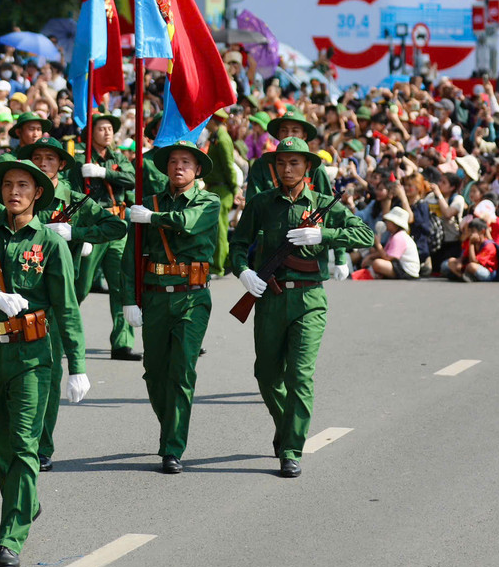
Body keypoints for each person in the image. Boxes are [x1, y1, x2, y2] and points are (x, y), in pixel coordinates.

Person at [0, 159, 87, 567]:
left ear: (37, 193)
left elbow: (67, 307)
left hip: (32, 355)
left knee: (25, 443)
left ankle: (10, 537)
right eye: (8, 184)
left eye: (24, 185)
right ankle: (26, 499)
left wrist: (77, 365)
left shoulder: (50, 243)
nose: (14, 191)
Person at [230, 137, 374, 478]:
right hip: (270, 297)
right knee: (267, 375)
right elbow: (238, 243)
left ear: (307, 166)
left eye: (294, 162)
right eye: (281, 163)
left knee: (299, 375)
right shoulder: (262, 203)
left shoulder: (323, 203)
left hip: (309, 300)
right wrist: (243, 271)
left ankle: (292, 449)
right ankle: (287, 425)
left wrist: (324, 235)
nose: (287, 169)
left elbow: (365, 235)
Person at [17, 137, 127, 470]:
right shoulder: (21, 195)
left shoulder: (76, 201)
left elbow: (116, 225)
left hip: (54, 300)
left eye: (50, 158)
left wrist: (76, 235)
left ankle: (41, 446)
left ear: (62, 164)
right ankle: (18, 438)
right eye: (37, 157)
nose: (43, 163)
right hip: (17, 297)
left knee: (48, 377)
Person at [122, 141, 221, 475]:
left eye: (186, 162)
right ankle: (172, 426)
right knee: (154, 372)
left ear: (197, 170)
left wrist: (153, 218)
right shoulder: (148, 203)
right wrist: (129, 299)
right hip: (155, 296)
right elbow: (131, 256)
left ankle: (172, 447)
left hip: (192, 296)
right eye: (173, 161)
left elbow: (188, 221)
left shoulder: (208, 201)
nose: (179, 167)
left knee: (181, 371)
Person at [68, 114, 139, 360]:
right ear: (91, 132)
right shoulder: (80, 159)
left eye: (110, 128)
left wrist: (104, 173)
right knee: (80, 286)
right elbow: (74, 193)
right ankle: (60, 334)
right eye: (102, 128)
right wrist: (81, 231)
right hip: (93, 227)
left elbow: (132, 179)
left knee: (121, 286)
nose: (108, 132)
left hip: (117, 227)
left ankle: (122, 343)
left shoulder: (117, 158)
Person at [202, 109, 239, 275]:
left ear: (213, 120)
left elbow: (229, 166)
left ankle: (219, 267)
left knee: (220, 229)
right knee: (216, 228)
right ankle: (226, 262)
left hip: (223, 189)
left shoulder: (222, 139)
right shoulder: (215, 136)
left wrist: (234, 188)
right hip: (215, 187)